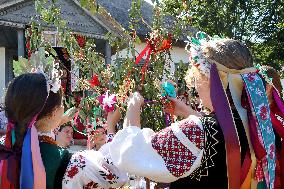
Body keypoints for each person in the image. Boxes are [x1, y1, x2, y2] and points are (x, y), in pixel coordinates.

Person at [107, 32, 284, 189]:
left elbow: (134, 154)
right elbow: (224, 135)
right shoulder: (264, 126)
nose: (194, 86)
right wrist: (187, 112)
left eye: (196, 77)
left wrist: (131, 108)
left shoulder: (196, 132)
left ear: (210, 80)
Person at [0, 73, 127, 189]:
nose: (63, 108)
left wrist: (53, 122)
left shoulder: (7, 146)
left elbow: (35, 128)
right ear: (53, 112)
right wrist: (111, 128)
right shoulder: (75, 163)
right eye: (62, 103)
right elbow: (117, 175)